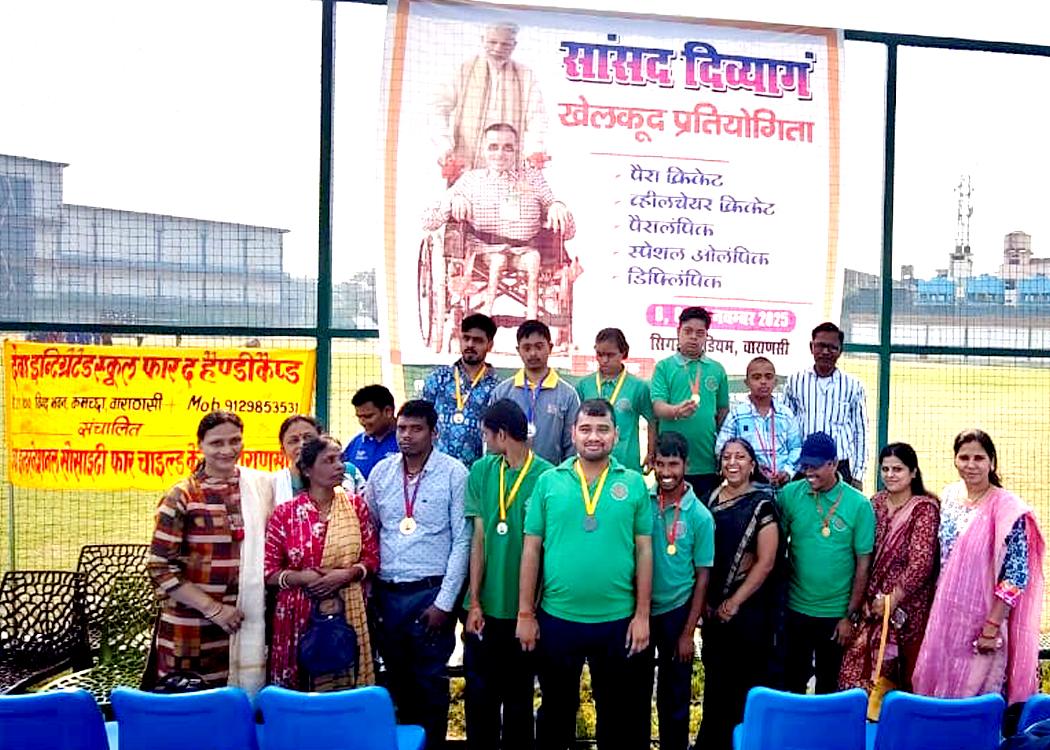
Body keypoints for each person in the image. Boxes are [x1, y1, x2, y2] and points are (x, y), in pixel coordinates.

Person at [517, 399, 653, 750]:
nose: (594, 437)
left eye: (603, 429)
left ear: (616, 435)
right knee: (556, 712)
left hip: (617, 622)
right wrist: (525, 613)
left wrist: (642, 615)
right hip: (558, 620)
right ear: (573, 433)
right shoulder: (549, 482)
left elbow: (644, 551)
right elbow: (531, 550)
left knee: (616, 714)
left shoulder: (634, 484)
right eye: (586, 429)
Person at [913, 430, 1045, 706]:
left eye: (979, 458)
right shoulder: (949, 497)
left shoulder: (1007, 509)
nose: (970, 465)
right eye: (964, 457)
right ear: (955, 460)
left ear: (992, 463)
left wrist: (992, 627)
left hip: (984, 621)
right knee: (941, 691)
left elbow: (1016, 575)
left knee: (979, 696)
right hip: (946, 617)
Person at [366, 400, 470, 750]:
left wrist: (445, 603)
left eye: (416, 429)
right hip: (387, 594)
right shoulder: (381, 473)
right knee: (395, 683)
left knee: (430, 684)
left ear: (434, 433)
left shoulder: (455, 473)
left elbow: (463, 541)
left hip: (431, 595)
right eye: (401, 429)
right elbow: (373, 529)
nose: (407, 436)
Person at [146, 411, 273, 694]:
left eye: (235, 441)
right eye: (217, 443)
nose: (228, 450)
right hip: (190, 631)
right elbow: (159, 567)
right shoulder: (183, 495)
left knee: (236, 711)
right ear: (199, 445)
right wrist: (214, 610)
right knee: (189, 710)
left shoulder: (259, 488)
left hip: (245, 621)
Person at [463, 399, 554, 750]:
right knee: (480, 697)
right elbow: (479, 539)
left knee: (519, 699)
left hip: (525, 612)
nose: (484, 440)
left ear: (501, 434)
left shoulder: (547, 476)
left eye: (487, 434)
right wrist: (473, 603)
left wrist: (529, 611)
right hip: (486, 609)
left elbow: (547, 548)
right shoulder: (483, 471)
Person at [422, 123, 575, 321]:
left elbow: (568, 231)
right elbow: (428, 221)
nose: (500, 154)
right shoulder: (471, 180)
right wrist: (452, 201)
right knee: (497, 261)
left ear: (516, 150)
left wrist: (558, 206)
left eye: (507, 147)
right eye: (493, 147)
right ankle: (486, 317)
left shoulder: (533, 178)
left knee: (533, 260)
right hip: (484, 250)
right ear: (484, 150)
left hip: (526, 250)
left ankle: (532, 321)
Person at [264, 434, 378, 690]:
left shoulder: (355, 507)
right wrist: (303, 578)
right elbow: (269, 572)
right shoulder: (285, 514)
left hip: (347, 609)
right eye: (329, 460)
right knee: (300, 688)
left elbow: (371, 559)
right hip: (296, 614)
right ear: (307, 469)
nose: (339, 466)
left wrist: (345, 575)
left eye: (340, 459)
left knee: (345, 682)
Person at [696, 438, 782, 750]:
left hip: (749, 613)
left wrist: (735, 601)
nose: (733, 462)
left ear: (752, 465)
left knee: (745, 685)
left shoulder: (762, 504)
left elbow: (767, 561)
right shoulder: (707, 500)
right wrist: (703, 602)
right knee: (716, 685)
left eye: (741, 457)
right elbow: (699, 556)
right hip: (713, 611)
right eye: (727, 457)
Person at [778, 431, 875, 694]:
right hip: (797, 609)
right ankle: (795, 734)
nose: (809, 472)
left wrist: (849, 616)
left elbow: (863, 565)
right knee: (792, 682)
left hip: (835, 614)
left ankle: (823, 735)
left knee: (829, 684)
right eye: (805, 465)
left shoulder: (858, 505)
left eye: (816, 466)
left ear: (833, 463)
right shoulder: (790, 495)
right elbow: (776, 547)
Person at [839, 443, 938, 693]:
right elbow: (863, 552)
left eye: (898, 469)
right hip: (870, 606)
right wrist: (863, 597)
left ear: (913, 472)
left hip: (906, 608)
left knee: (899, 678)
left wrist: (892, 600)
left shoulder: (924, 510)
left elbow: (921, 563)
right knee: (855, 673)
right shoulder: (875, 503)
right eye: (885, 469)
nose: (890, 475)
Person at [641, 431, 713, 750]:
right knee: (637, 692)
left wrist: (688, 632)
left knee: (675, 696)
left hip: (677, 613)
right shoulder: (641, 502)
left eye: (673, 464)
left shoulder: (700, 516)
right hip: (641, 612)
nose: (666, 473)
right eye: (660, 464)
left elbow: (702, 577)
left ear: (686, 464)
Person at [430, 23, 547, 180]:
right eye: (493, 42)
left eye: (505, 43)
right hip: (466, 163)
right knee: (461, 204)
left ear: (514, 45)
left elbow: (537, 117)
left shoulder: (525, 75)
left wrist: (534, 148)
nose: (498, 48)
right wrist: (443, 144)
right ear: (483, 40)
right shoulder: (464, 69)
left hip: (508, 165)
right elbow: (438, 107)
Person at [651, 306, 730, 500]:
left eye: (700, 333)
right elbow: (658, 407)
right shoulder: (664, 367)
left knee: (704, 517)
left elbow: (722, 412)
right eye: (688, 331)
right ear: (678, 332)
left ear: (706, 337)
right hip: (670, 460)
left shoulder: (717, 370)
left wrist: (721, 451)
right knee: (669, 516)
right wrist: (676, 411)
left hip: (706, 462)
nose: (694, 337)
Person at [784, 322, 868, 490]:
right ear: (811, 347)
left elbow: (861, 432)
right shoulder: (795, 381)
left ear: (840, 350)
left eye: (832, 347)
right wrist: (788, 468)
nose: (825, 352)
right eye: (820, 346)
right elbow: (786, 426)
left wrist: (858, 474)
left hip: (840, 465)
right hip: (802, 465)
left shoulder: (853, 385)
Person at [489, 319, 580, 465]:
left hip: (550, 478)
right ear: (518, 350)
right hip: (508, 479)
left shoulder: (568, 395)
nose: (533, 353)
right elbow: (491, 440)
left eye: (539, 347)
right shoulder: (502, 392)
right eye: (526, 348)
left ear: (550, 347)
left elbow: (572, 447)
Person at [422, 313, 501, 468]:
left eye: (477, 340)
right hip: (437, 471)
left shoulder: (497, 388)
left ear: (489, 345)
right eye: (466, 338)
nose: (470, 344)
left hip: (477, 474)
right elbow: (421, 421)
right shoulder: (438, 379)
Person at [575, 327, 656, 474]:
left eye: (610, 355)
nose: (604, 360)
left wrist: (651, 453)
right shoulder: (584, 385)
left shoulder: (638, 387)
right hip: (590, 463)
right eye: (599, 354)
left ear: (623, 353)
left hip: (626, 464)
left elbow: (652, 419)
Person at [715, 356, 802, 488]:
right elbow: (721, 449)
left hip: (783, 487)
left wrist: (788, 471)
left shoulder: (786, 415)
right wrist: (749, 468)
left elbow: (796, 447)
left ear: (776, 381)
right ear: (747, 382)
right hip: (748, 488)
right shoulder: (737, 415)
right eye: (756, 377)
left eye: (768, 377)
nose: (763, 382)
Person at [272, 414, 365, 504]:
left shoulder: (349, 472)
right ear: (283, 450)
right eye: (294, 441)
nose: (302, 444)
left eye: (308, 437)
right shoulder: (275, 484)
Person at [342, 384, 400, 479]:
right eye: (359, 417)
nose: (362, 422)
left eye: (368, 416)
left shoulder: (406, 441)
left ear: (388, 411)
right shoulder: (356, 443)